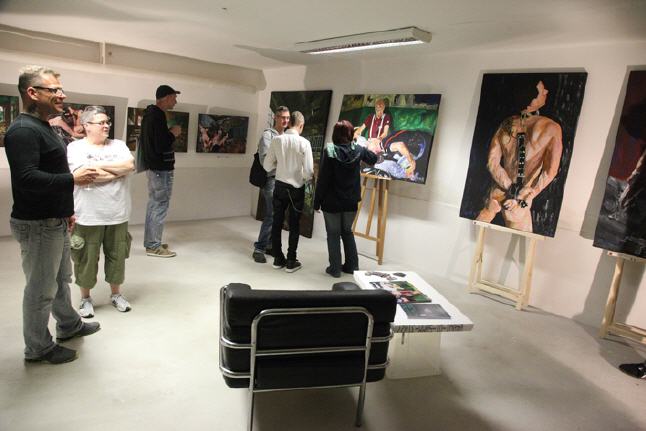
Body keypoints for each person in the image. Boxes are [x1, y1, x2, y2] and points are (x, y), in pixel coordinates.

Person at [5, 65, 101, 364]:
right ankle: (38, 348)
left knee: (61, 279)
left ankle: (69, 325)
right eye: (54, 89)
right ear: (32, 93)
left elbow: (51, 170)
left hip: (54, 219)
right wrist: (73, 179)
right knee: (41, 289)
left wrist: (66, 211)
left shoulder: (44, 126)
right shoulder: (23, 131)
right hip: (37, 224)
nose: (62, 94)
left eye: (61, 89)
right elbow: (26, 178)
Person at [67, 106, 135, 318]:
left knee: (117, 257)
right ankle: (86, 298)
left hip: (117, 213)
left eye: (107, 122)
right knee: (85, 259)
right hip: (87, 215)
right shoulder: (75, 147)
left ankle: (116, 294)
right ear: (87, 126)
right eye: (101, 122)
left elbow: (129, 166)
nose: (106, 126)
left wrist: (99, 168)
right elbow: (83, 175)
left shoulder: (119, 145)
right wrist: (116, 171)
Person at [476, 81, 563, 232]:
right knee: (522, 239)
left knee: (477, 230)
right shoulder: (551, 128)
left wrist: (509, 186)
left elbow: (492, 163)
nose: (546, 92)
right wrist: (527, 194)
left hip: (498, 193)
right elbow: (550, 171)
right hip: (520, 200)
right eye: (542, 91)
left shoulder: (506, 124)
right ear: (531, 99)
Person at [314, 120, 377, 277]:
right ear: (350, 134)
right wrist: (360, 143)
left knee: (333, 234)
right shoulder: (358, 150)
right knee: (347, 232)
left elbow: (323, 179)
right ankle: (352, 266)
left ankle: (335, 269)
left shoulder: (329, 150)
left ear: (335, 134)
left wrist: (317, 201)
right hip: (351, 201)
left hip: (331, 201)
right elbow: (373, 159)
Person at [263, 111, 313, 273]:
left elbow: (267, 166)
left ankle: (278, 258)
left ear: (289, 122)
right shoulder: (305, 143)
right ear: (301, 125)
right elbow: (309, 171)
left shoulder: (277, 140)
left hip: (279, 186)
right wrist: (301, 176)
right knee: (294, 225)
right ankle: (291, 260)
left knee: (277, 222)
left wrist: (280, 166)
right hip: (296, 188)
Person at [140, 85, 181, 257]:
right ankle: (154, 246)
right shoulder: (157, 115)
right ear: (166, 98)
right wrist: (173, 133)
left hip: (155, 168)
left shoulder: (150, 115)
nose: (175, 101)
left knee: (154, 204)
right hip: (160, 169)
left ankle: (151, 242)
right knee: (160, 205)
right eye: (173, 98)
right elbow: (161, 144)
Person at [252, 105, 290, 263]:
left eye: (287, 118)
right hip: (271, 180)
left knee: (278, 215)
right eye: (283, 117)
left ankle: (269, 245)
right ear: (276, 118)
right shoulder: (268, 135)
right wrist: (285, 162)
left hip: (283, 180)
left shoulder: (287, 136)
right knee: (272, 214)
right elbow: (265, 161)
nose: (285, 121)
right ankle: (259, 248)